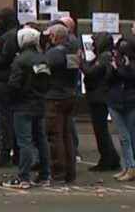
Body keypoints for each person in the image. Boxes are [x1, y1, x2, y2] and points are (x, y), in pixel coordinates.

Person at [2, 27, 51, 189]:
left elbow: (14, 84)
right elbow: (47, 82)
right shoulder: (42, 58)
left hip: (22, 105)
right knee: (41, 140)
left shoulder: (20, 60)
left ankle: (23, 177)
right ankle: (45, 175)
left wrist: (10, 98)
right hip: (39, 103)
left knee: (25, 142)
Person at [43, 24, 78, 184]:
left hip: (54, 96)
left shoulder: (53, 53)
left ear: (55, 36)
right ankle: (70, 172)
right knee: (67, 135)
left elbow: (41, 70)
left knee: (54, 136)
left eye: (50, 35)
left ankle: (58, 173)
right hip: (69, 95)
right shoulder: (72, 52)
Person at [83, 32, 121, 172]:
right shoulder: (104, 56)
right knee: (101, 130)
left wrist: (81, 63)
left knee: (101, 130)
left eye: (95, 42)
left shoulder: (104, 57)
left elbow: (91, 72)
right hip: (99, 96)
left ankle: (107, 159)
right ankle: (111, 157)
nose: (92, 45)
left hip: (99, 97)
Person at [0, 8, 20, 166]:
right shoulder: (18, 33)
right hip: (15, 81)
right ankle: (16, 152)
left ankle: (5, 154)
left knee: (5, 119)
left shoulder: (7, 37)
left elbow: (2, 59)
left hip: (4, 80)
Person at [108, 36, 135, 181]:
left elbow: (129, 76)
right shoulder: (117, 62)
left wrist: (117, 68)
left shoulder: (128, 65)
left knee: (127, 136)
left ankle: (131, 166)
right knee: (125, 136)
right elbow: (108, 79)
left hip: (128, 101)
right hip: (116, 100)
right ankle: (127, 166)